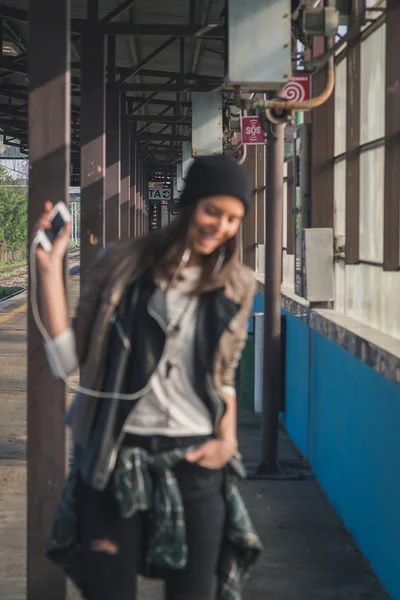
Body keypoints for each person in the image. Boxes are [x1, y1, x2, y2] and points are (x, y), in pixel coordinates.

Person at [35, 154, 262, 600]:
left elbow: (224, 375)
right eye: (212, 210)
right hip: (116, 458)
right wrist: (48, 274)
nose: (221, 225)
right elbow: (65, 361)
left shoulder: (236, 284)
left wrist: (227, 440)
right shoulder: (123, 265)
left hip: (195, 463)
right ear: (190, 204)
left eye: (233, 218)